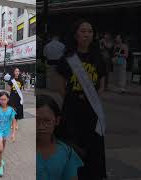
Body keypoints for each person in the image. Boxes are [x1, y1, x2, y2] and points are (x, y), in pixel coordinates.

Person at [56, 19, 107, 180]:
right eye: (83, 31)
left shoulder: (98, 57)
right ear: (76, 34)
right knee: (71, 142)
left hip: (92, 109)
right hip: (72, 109)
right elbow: (61, 86)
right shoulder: (68, 57)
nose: (87, 34)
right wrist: (74, 99)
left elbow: (102, 85)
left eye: (90, 31)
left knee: (93, 145)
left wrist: (93, 99)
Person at [37, 94, 83, 180]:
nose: (41, 126)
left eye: (47, 121)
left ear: (57, 121)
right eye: (36, 121)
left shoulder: (67, 152)